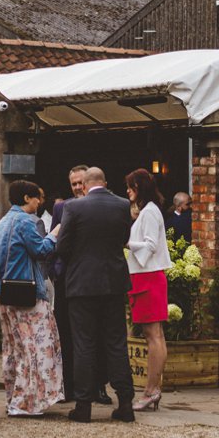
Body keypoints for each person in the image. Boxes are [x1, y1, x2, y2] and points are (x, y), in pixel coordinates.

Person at [54, 165, 135, 423]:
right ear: (106, 182)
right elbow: (124, 238)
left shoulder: (74, 207)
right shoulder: (122, 205)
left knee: (84, 343)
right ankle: (125, 403)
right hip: (113, 281)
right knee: (116, 342)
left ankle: (84, 405)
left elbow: (63, 245)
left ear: (86, 185)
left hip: (82, 283)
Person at [0, 180, 63, 417]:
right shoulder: (25, 221)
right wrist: (54, 234)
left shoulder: (3, 221)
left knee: (13, 349)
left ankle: (14, 398)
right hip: (26, 292)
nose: (39, 202)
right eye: (36, 198)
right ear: (26, 198)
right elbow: (41, 250)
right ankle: (25, 403)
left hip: (4, 291)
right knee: (34, 348)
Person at [126, 169, 169, 411]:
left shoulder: (150, 212)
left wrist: (127, 242)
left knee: (153, 336)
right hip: (148, 276)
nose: (128, 191)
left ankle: (151, 390)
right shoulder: (148, 211)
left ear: (140, 187)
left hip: (147, 277)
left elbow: (150, 246)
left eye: (131, 186)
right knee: (156, 335)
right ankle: (153, 389)